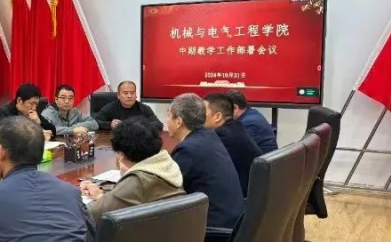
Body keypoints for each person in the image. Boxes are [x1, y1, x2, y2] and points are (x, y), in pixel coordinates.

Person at [80, 117, 184, 222]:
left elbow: (88, 213)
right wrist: (100, 195)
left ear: (121, 154)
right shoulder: (167, 164)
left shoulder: (138, 180)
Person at [167, 93, 245, 230]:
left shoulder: (188, 149)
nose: (166, 121)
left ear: (178, 122)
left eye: (168, 116)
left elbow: (165, 189)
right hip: (232, 223)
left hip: (213, 231)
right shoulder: (208, 136)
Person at [204, 93, 263, 196]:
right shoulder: (236, 127)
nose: (199, 116)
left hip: (241, 197)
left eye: (203, 112)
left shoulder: (221, 136)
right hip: (254, 191)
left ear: (217, 116)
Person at [94, 81, 163, 131]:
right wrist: (110, 125)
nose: (129, 96)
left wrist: (140, 126)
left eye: (132, 93)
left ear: (136, 95)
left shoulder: (144, 108)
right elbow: (95, 121)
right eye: (125, 93)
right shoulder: (110, 108)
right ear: (118, 95)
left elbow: (159, 125)